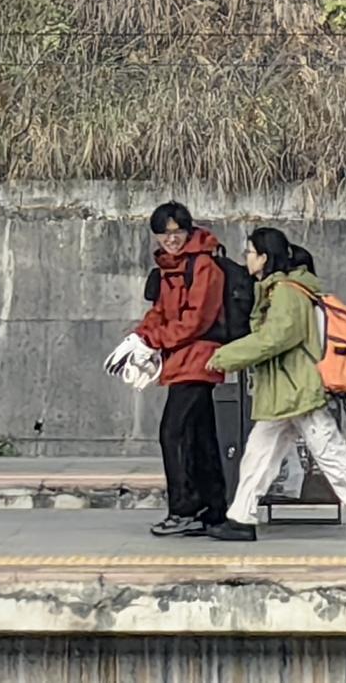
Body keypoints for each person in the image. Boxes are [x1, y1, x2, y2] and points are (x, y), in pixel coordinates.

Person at [204, 227, 346, 543]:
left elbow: (277, 338)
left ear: (265, 257)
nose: (246, 259)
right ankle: (240, 518)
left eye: (250, 253)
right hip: (285, 392)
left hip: (297, 390)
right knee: (259, 453)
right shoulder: (279, 290)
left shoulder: (286, 292)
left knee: (330, 453)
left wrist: (227, 355)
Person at [130, 201, 229, 537]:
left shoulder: (203, 266)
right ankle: (213, 508)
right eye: (164, 233)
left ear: (187, 230)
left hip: (199, 358)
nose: (170, 239)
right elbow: (160, 311)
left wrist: (156, 338)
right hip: (183, 359)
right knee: (200, 436)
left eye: (176, 232)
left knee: (172, 432)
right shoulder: (169, 268)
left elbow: (196, 319)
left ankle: (184, 507)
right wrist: (140, 337)